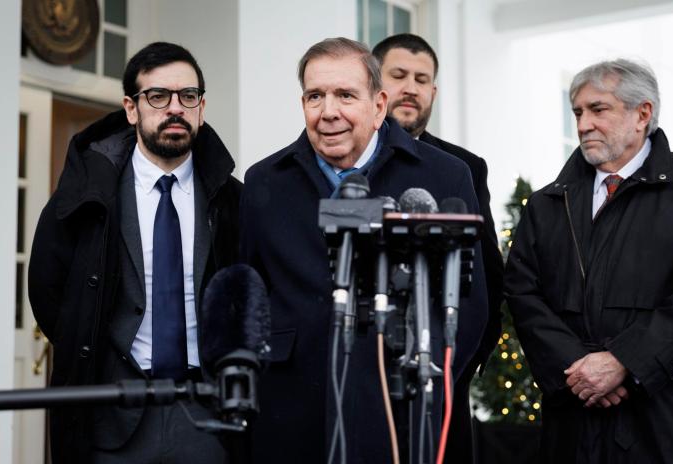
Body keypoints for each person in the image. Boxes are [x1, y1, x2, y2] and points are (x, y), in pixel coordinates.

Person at [240, 37, 488, 463]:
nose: (328, 111)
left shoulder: (446, 175)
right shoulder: (264, 181)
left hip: (402, 414)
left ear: (378, 106)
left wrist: (426, 381)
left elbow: (472, 305)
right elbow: (246, 296)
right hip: (292, 413)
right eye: (315, 96)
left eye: (345, 95)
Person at [28, 42, 242, 464]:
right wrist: (91, 354)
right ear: (131, 108)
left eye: (188, 96)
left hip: (205, 413)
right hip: (111, 412)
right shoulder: (86, 194)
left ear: (201, 107)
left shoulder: (232, 199)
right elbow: (47, 291)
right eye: (158, 97)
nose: (175, 108)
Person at [505, 58, 673, 463]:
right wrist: (578, 368)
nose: (583, 124)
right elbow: (522, 292)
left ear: (642, 113)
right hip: (571, 422)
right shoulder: (546, 203)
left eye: (598, 109)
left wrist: (626, 361)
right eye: (577, 112)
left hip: (663, 421)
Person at [373, 33, 504, 463]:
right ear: (374, 82)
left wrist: (459, 364)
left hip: (441, 375)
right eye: (398, 75)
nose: (411, 87)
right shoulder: (343, 157)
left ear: (434, 91)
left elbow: (487, 273)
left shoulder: (463, 168)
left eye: (421, 78)